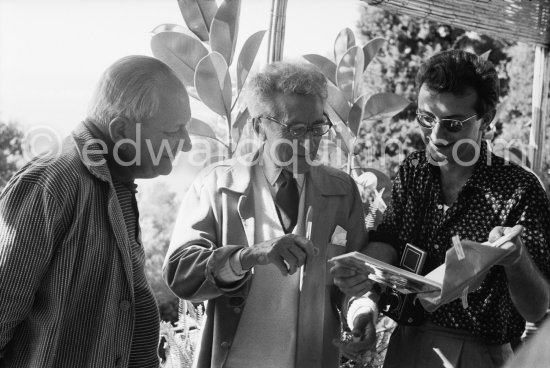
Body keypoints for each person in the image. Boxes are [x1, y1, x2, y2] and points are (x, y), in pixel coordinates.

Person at [332, 49, 550, 368]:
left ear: (485, 120)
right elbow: (390, 242)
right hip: (406, 342)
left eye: (452, 124)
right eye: (426, 118)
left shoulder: (519, 190)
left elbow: (536, 308)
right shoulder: (414, 170)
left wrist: (516, 258)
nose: (435, 135)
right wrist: (362, 277)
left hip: (476, 353)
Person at [163, 62, 374, 368]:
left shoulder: (342, 191)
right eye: (295, 129)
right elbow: (180, 274)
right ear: (258, 125)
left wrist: (362, 313)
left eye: (317, 127)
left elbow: (355, 282)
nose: (308, 141)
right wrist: (247, 257)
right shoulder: (215, 184)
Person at [0, 55, 192, 367]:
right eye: (174, 131)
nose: (186, 145)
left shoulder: (117, 182)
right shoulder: (52, 184)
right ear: (120, 131)